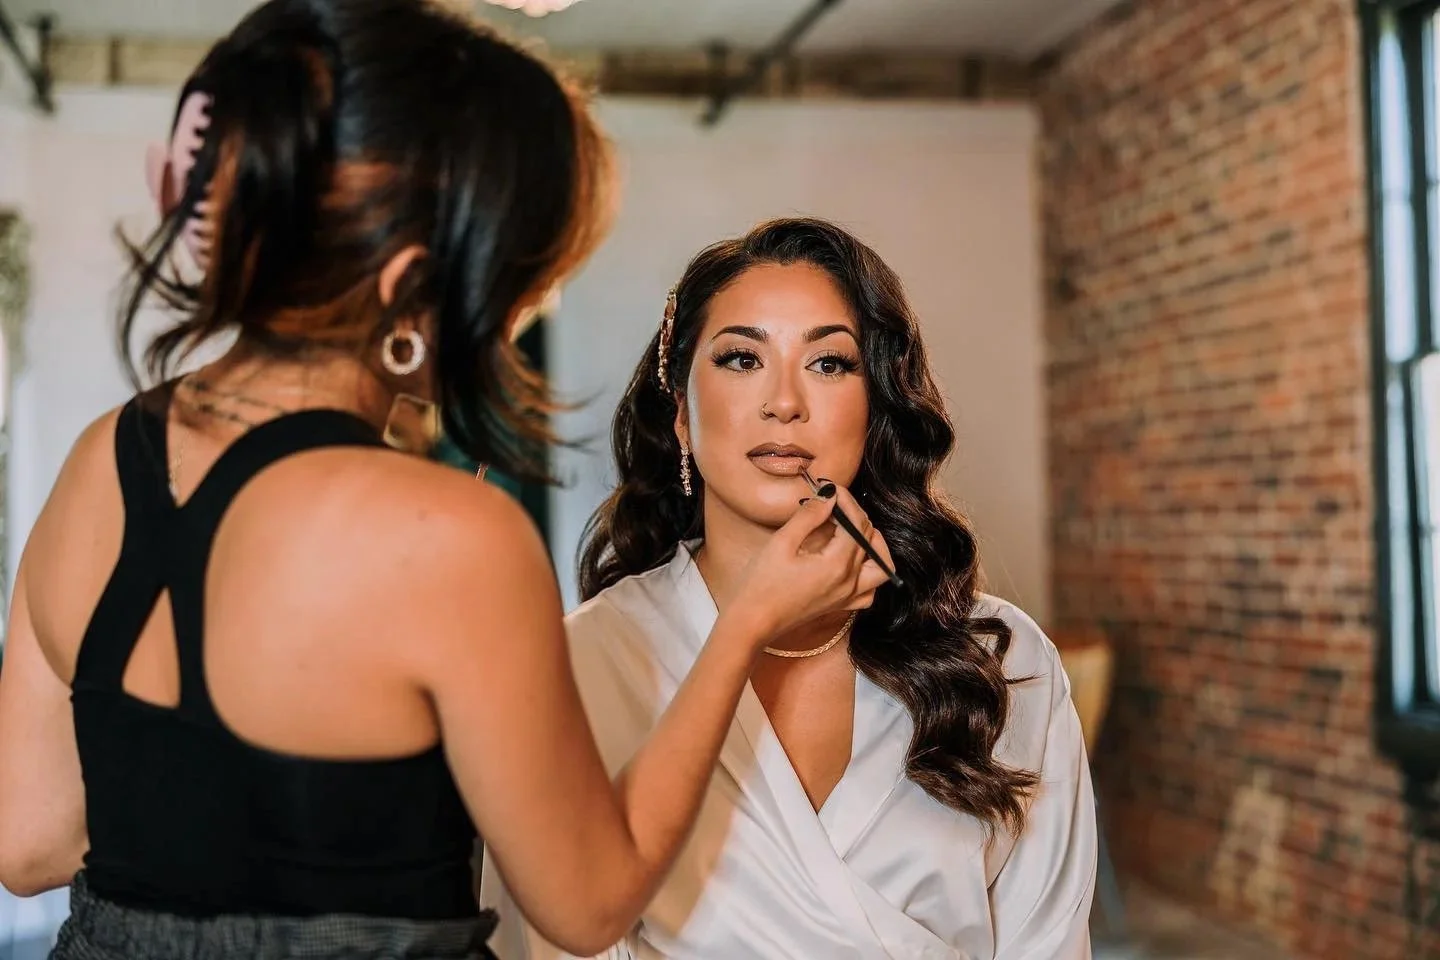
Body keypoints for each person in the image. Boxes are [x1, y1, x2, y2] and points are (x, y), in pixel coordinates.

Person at [0, 5, 888, 957]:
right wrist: (744, 624)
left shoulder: (103, 459)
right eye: (515, 281)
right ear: (413, 283)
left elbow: (30, 841)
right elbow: (587, 904)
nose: (515, 318)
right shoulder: (451, 537)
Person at [482, 218, 1098, 960]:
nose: (784, 402)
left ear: (875, 409)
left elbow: (1049, 941)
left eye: (829, 363)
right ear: (681, 416)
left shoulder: (1001, 662)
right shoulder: (589, 660)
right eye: (742, 358)